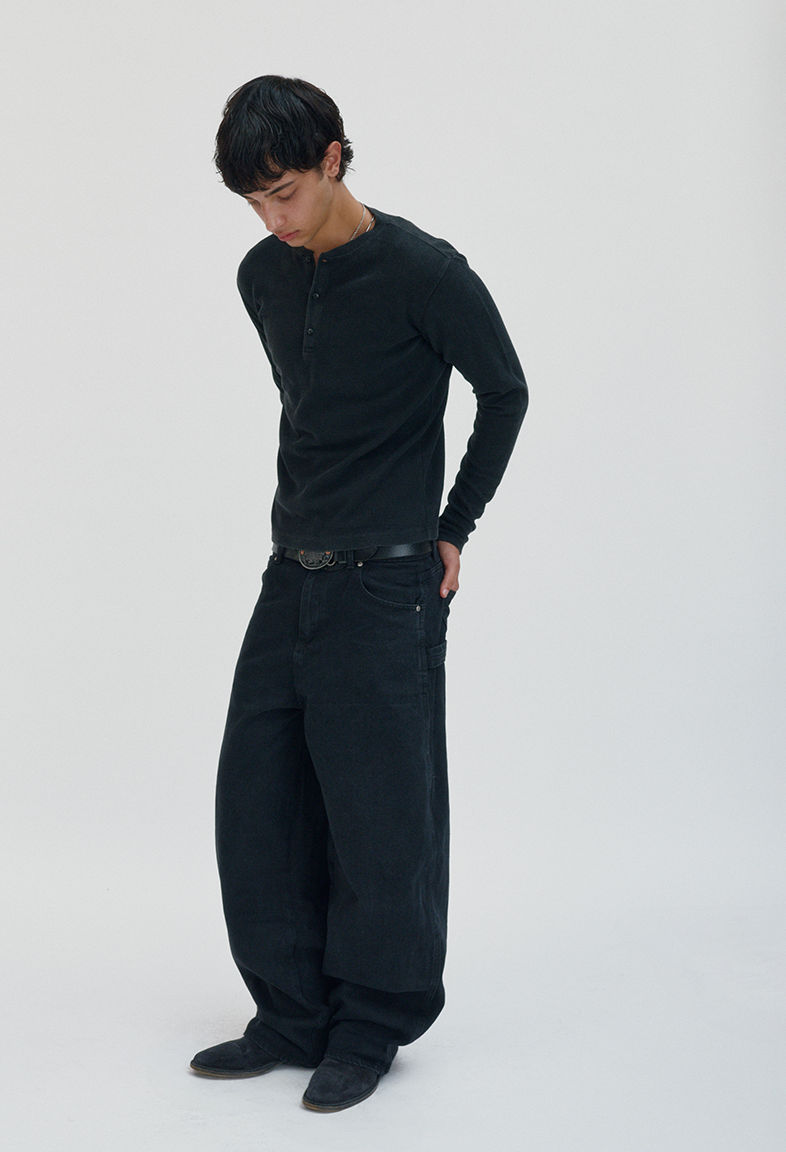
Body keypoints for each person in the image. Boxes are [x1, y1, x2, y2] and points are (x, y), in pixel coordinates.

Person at [190, 75, 528, 1112]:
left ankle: (371, 1022)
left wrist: (453, 528)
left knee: (383, 819)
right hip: (289, 570)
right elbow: (311, 412)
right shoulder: (262, 275)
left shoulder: (426, 272)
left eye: (284, 192)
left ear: (334, 157)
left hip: (388, 582)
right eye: (254, 202)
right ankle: (291, 1014)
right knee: (258, 803)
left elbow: (506, 390)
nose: (273, 220)